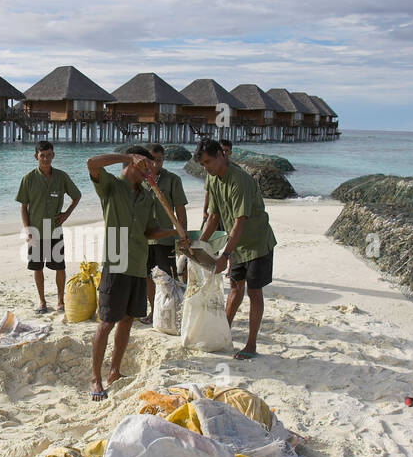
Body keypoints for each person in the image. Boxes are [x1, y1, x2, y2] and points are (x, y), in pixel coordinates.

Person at [87, 146, 178, 400]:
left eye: (154, 165)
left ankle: (114, 371)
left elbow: (149, 231)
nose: (153, 169)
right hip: (116, 261)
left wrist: (174, 232)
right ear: (136, 163)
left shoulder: (147, 196)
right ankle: (96, 378)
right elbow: (92, 162)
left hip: (139, 264)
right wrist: (126, 157)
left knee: (127, 320)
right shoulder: (112, 186)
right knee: (106, 322)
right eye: (148, 164)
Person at [194, 138, 276, 360]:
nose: (206, 167)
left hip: (257, 242)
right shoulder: (212, 179)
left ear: (221, 155)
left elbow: (240, 221)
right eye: (202, 165)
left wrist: (225, 255)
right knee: (235, 288)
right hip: (237, 243)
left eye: (208, 162)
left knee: (254, 292)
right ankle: (224, 331)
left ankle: (251, 344)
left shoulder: (239, 180)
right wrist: (199, 245)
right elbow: (213, 217)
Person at [16, 140, 80, 314]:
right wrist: (27, 229)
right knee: (37, 267)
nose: (45, 159)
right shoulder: (28, 179)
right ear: (36, 156)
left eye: (49, 155)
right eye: (42, 155)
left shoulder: (61, 177)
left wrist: (66, 214)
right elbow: (23, 207)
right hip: (35, 231)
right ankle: (42, 302)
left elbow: (77, 196)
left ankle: (60, 301)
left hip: (54, 230)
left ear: (53, 155)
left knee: (60, 267)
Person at [142, 143, 188, 325]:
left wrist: (182, 237)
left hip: (166, 238)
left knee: (168, 278)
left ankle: (170, 312)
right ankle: (154, 310)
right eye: (151, 160)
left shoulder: (173, 180)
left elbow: (180, 211)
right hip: (145, 238)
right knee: (147, 277)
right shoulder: (140, 179)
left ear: (163, 160)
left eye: (159, 160)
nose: (155, 164)